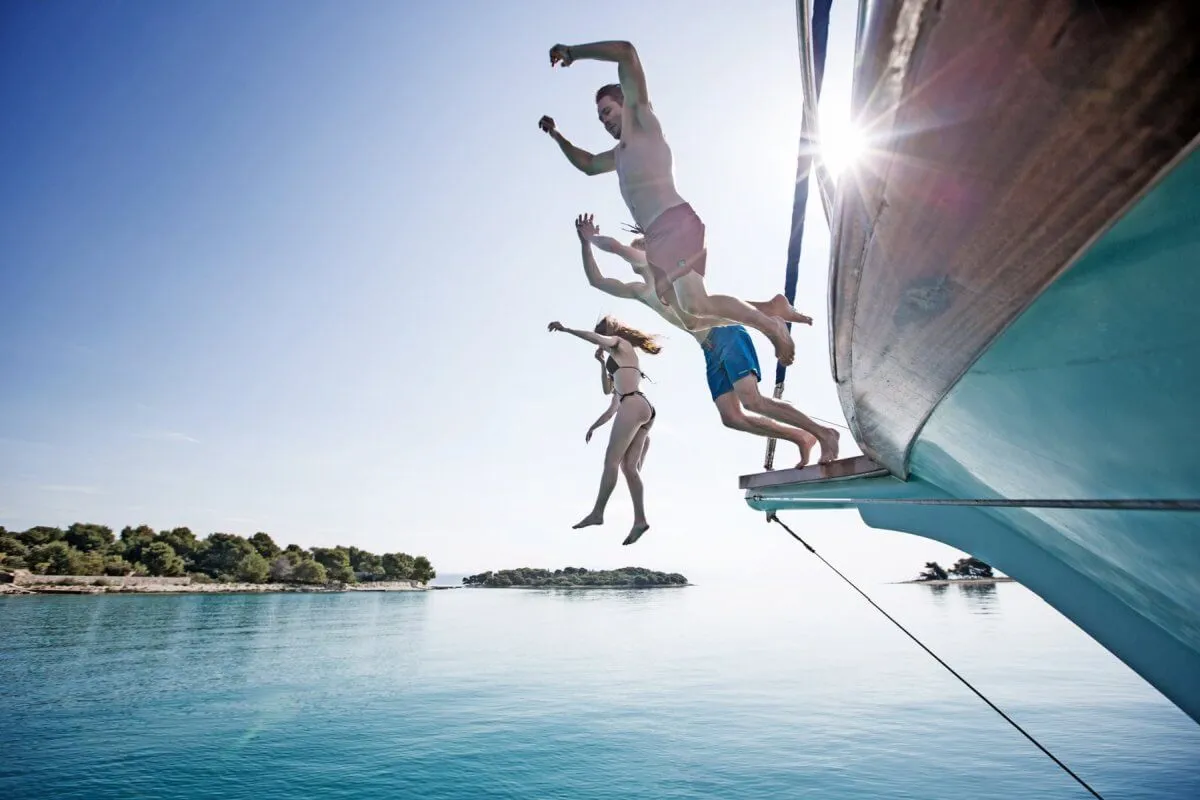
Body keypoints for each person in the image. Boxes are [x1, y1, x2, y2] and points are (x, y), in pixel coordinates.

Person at [539, 38, 798, 366]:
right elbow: (588, 164)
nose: (604, 121)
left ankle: (769, 325)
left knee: (697, 306)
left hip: (673, 221)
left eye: (607, 111)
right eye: (600, 120)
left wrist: (573, 53)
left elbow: (626, 52)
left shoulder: (643, 123)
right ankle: (769, 311)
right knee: (692, 315)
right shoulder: (619, 155)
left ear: (625, 103)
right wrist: (556, 135)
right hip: (659, 237)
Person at [571, 213, 839, 466]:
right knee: (731, 417)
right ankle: (802, 437)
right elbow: (597, 280)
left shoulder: (662, 270)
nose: (634, 258)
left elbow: (617, 248)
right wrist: (585, 245)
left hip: (725, 334)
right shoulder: (639, 290)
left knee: (752, 400)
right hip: (709, 347)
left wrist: (592, 237)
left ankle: (825, 434)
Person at [548, 315, 659, 545]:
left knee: (611, 462)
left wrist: (567, 329)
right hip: (643, 407)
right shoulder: (618, 362)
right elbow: (608, 393)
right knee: (629, 468)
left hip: (634, 403)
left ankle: (598, 513)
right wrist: (601, 364)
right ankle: (640, 520)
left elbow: (592, 337)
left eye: (603, 333)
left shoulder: (619, 342)